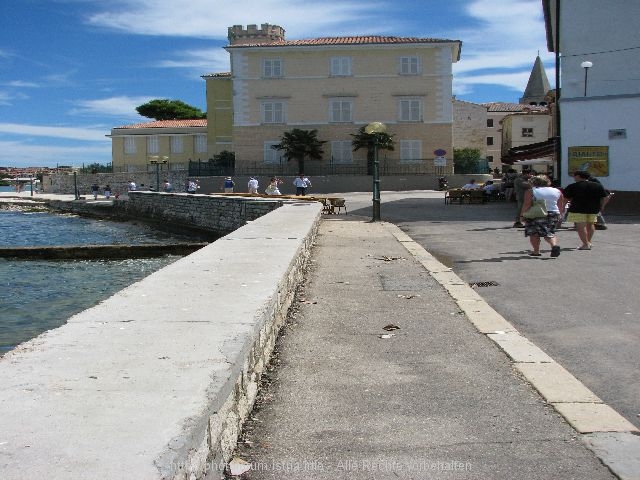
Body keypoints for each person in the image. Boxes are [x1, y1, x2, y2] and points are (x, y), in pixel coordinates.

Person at [562, 170, 609, 250]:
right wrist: (602, 206)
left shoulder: (573, 186)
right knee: (590, 224)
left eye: (574, 176)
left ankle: (585, 244)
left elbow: (566, 198)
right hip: (594, 208)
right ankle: (588, 242)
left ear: (578, 176)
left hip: (578, 208)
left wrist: (562, 207)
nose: (573, 177)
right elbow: (606, 197)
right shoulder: (597, 185)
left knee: (581, 226)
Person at [521, 175, 564, 257]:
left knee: (534, 233)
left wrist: (522, 215)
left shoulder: (531, 191)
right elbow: (560, 205)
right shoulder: (557, 191)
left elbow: (527, 204)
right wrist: (560, 215)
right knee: (549, 232)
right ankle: (554, 245)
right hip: (553, 213)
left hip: (536, 214)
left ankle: (536, 251)